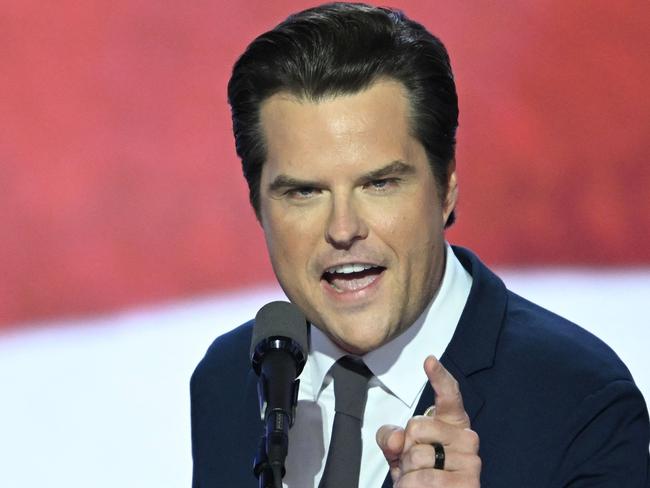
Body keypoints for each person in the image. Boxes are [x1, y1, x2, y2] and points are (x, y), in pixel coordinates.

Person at [190, 3, 650, 487]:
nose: (343, 228)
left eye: (380, 183)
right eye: (305, 192)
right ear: (258, 206)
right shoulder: (229, 380)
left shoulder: (579, 405)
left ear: (446, 186)